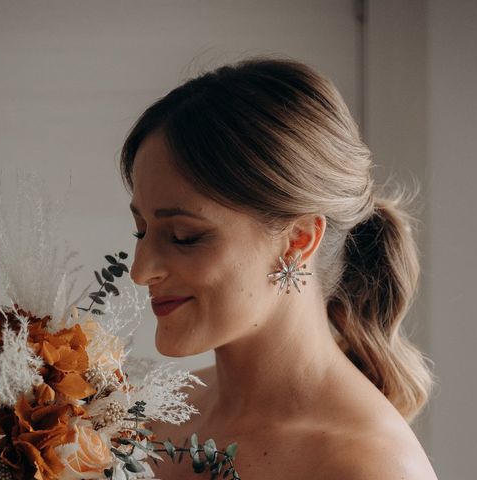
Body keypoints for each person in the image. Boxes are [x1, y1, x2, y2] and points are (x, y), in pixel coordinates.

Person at [119, 57, 438, 479]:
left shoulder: (367, 467)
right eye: (141, 231)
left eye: (184, 236)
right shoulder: (148, 415)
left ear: (298, 239)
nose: (141, 272)